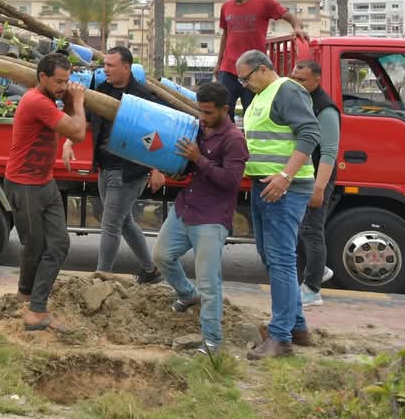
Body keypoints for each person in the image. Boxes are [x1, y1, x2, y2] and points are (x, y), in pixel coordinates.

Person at [149, 82, 248, 354]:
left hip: (211, 217)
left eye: (208, 113)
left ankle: (212, 342)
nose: (202, 118)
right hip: (186, 207)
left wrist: (199, 158)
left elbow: (231, 182)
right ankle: (187, 294)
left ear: (225, 109)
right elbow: (187, 165)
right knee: (160, 256)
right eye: (200, 111)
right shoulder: (199, 129)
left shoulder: (234, 140)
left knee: (208, 282)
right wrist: (178, 168)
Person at [235, 50, 320, 360]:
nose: (244, 84)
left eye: (245, 78)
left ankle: (280, 337)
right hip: (265, 186)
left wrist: (285, 176)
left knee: (281, 259)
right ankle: (296, 327)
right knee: (270, 256)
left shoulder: (286, 90)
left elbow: (310, 133)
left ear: (262, 69)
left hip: (285, 188)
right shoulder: (260, 97)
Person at [62, 46, 162, 283]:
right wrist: (68, 141)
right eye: (104, 65)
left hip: (128, 171)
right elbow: (85, 119)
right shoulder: (101, 91)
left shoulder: (143, 97)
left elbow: (155, 136)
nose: (105, 69)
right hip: (104, 167)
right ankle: (150, 271)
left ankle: (101, 276)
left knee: (110, 224)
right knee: (124, 221)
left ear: (126, 67)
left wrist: (156, 169)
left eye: (110, 65)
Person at [7, 53, 87, 331]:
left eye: (66, 81)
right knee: (35, 246)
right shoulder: (36, 101)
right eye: (58, 81)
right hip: (24, 184)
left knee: (59, 244)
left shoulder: (49, 98)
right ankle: (34, 307)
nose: (63, 86)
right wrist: (78, 101)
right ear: (42, 77)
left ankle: (30, 301)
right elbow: (78, 132)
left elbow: (69, 126)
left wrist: (69, 101)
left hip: (44, 181)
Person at [215, 0, 308, 120]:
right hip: (228, 69)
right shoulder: (226, 7)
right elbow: (225, 35)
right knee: (222, 112)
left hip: (253, 71)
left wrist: (297, 28)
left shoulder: (264, 3)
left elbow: (290, 17)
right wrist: (218, 64)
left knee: (253, 112)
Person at [290, 60, 341, 307]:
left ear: (316, 81)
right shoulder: (301, 100)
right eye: (294, 78)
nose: (296, 83)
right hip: (303, 175)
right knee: (301, 229)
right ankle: (318, 270)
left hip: (318, 177)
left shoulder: (325, 109)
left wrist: (319, 188)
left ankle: (312, 290)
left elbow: (329, 152)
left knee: (311, 229)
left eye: (302, 80)